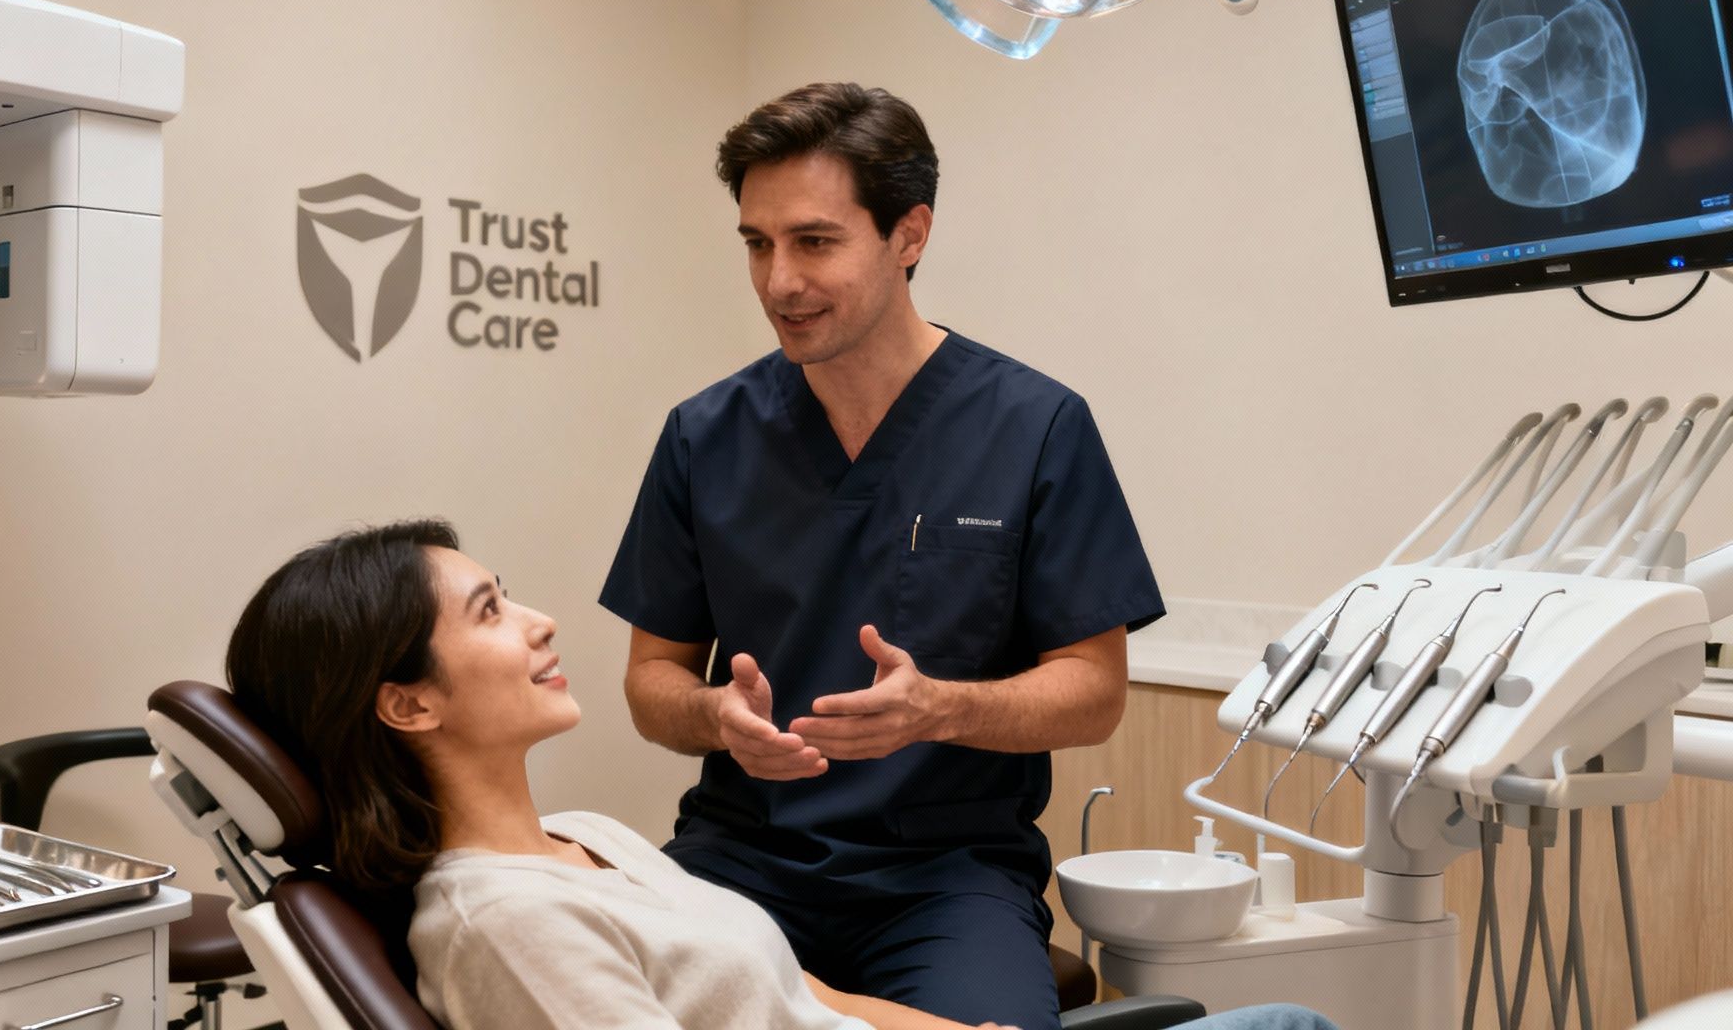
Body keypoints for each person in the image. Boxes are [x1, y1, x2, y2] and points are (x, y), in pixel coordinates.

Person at [223, 521, 1334, 1030]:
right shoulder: (499, 922)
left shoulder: (587, 840)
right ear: (406, 702)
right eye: (488, 613)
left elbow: (799, 998)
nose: (540, 620)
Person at [602, 82, 1164, 1030]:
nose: (780, 280)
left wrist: (938, 709)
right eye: (757, 243)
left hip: (944, 880)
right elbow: (649, 682)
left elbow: (1095, 691)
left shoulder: (1034, 427)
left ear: (910, 233)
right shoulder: (705, 435)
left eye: (815, 242)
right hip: (741, 861)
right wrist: (714, 717)